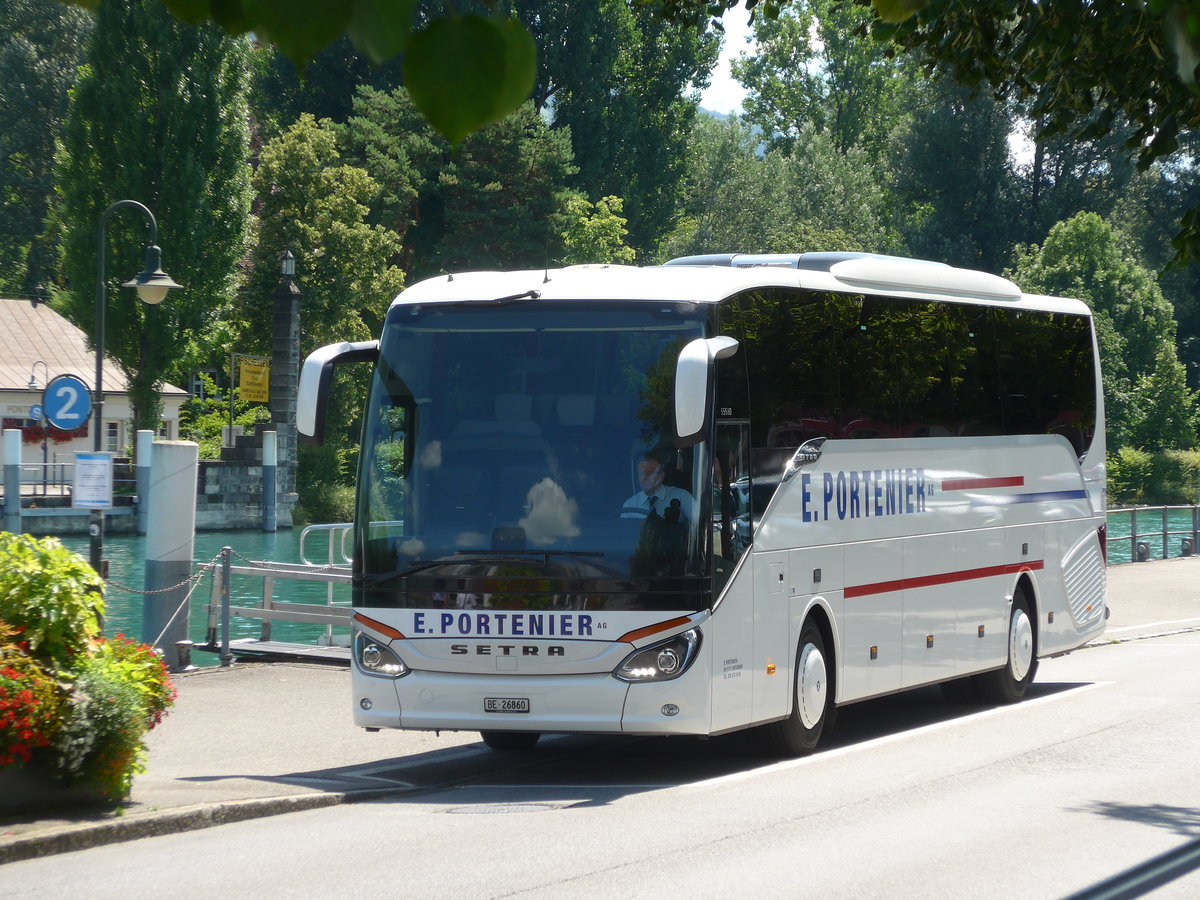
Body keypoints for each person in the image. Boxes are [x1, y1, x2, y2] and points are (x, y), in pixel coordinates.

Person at [621, 451, 696, 524]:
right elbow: (623, 533)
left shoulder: (681, 496)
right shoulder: (630, 505)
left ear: (661, 475)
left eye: (649, 473)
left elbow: (700, 522)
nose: (644, 477)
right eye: (641, 473)